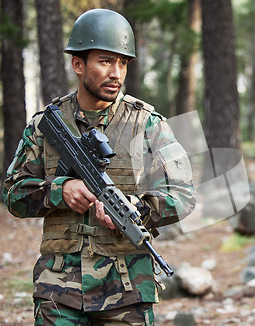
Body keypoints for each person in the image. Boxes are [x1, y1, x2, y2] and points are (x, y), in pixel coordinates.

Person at [2, 8, 196, 325]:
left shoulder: (147, 124)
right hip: (59, 290)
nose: (116, 73)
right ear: (78, 64)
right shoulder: (45, 125)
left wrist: (139, 207)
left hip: (127, 290)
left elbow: (185, 195)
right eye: (105, 61)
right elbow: (12, 193)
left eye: (122, 63)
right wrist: (58, 191)